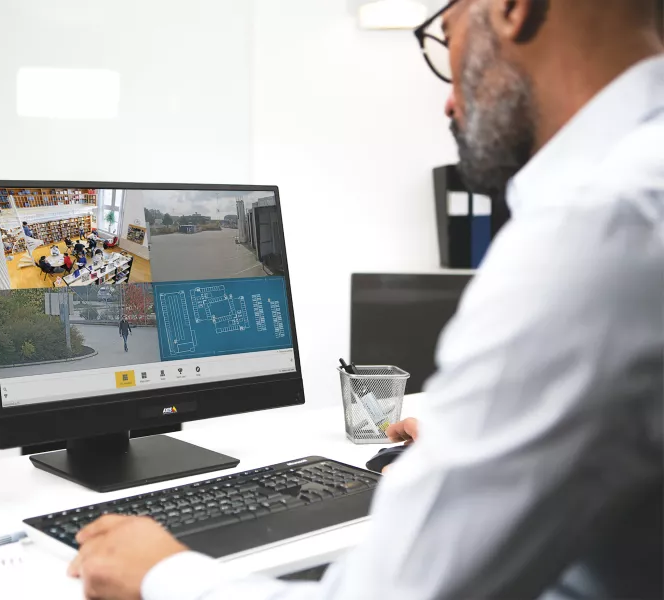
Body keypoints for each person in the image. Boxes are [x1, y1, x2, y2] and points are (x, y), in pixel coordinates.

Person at [67, 2, 664, 599]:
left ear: (512, 8)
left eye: (444, 40)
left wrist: (163, 575)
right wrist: (488, 445)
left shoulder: (597, 226)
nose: (448, 102)